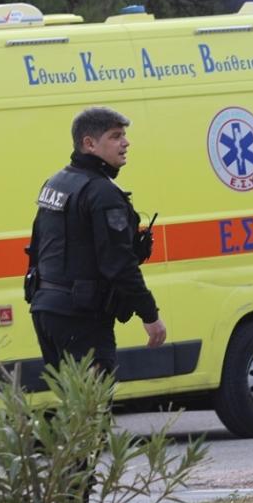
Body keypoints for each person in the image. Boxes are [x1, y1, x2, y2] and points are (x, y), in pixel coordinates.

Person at [29, 106, 167, 375]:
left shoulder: (56, 183)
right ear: (89, 144)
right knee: (93, 398)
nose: (125, 143)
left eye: (124, 135)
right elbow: (119, 263)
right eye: (115, 136)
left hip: (47, 310)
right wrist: (150, 315)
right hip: (80, 317)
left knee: (73, 398)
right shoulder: (102, 193)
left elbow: (37, 246)